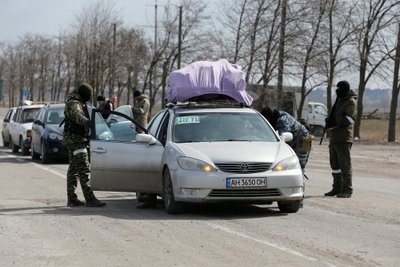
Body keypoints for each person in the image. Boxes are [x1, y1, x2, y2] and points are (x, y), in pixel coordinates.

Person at [63, 83, 106, 207]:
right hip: (76, 141)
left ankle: (72, 199)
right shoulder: (75, 104)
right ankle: (90, 198)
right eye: (89, 95)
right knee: (84, 169)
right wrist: (88, 122)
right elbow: (77, 116)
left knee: (74, 170)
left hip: (74, 140)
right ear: (84, 94)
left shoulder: (76, 101)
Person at [324, 80, 357, 198]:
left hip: (344, 138)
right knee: (335, 165)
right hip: (334, 137)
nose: (337, 91)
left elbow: (349, 119)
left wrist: (334, 121)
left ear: (344, 89)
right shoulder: (339, 100)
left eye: (339, 89)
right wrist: (329, 121)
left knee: (345, 165)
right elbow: (335, 115)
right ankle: (336, 187)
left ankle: (347, 189)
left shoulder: (350, 102)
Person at [261, 107, 311, 172]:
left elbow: (282, 138)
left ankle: (300, 180)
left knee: (299, 166)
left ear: (269, 118)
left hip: (303, 140)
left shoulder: (282, 120)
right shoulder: (279, 115)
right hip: (296, 140)